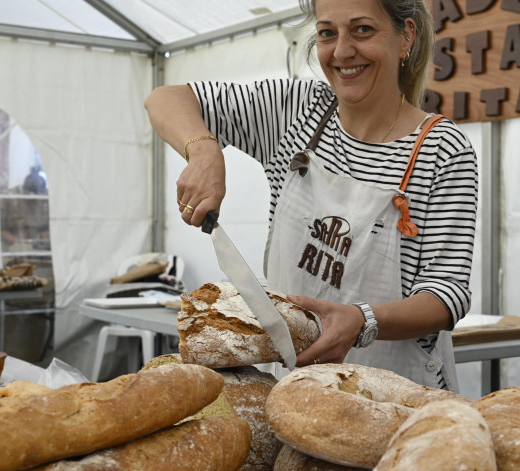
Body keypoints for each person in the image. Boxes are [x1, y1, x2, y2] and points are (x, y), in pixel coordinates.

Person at [145, 0, 477, 390]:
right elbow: (165, 97)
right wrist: (204, 149)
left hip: (395, 396)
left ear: (406, 35)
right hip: (291, 386)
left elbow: (446, 295)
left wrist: (362, 320)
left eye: (362, 30)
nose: (341, 51)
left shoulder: (441, 148)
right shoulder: (297, 112)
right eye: (327, 33)